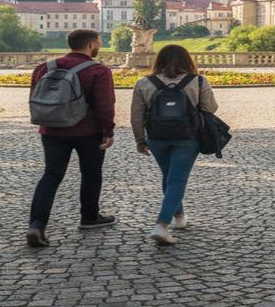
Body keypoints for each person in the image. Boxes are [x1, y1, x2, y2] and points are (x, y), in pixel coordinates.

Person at [26, 29, 116, 248]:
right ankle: (89, 216)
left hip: (52, 130)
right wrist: (108, 131)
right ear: (91, 45)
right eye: (99, 42)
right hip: (88, 132)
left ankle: (36, 225)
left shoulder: (44, 67)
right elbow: (105, 105)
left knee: (51, 175)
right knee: (91, 174)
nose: (99, 45)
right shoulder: (98, 70)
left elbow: (35, 97)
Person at [130, 44, 219, 246]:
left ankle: (179, 218)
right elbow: (211, 108)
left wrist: (140, 140)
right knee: (176, 180)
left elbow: (136, 116)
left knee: (169, 177)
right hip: (188, 137)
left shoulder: (144, 82)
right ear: (187, 60)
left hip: (156, 137)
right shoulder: (198, 81)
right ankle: (161, 225)